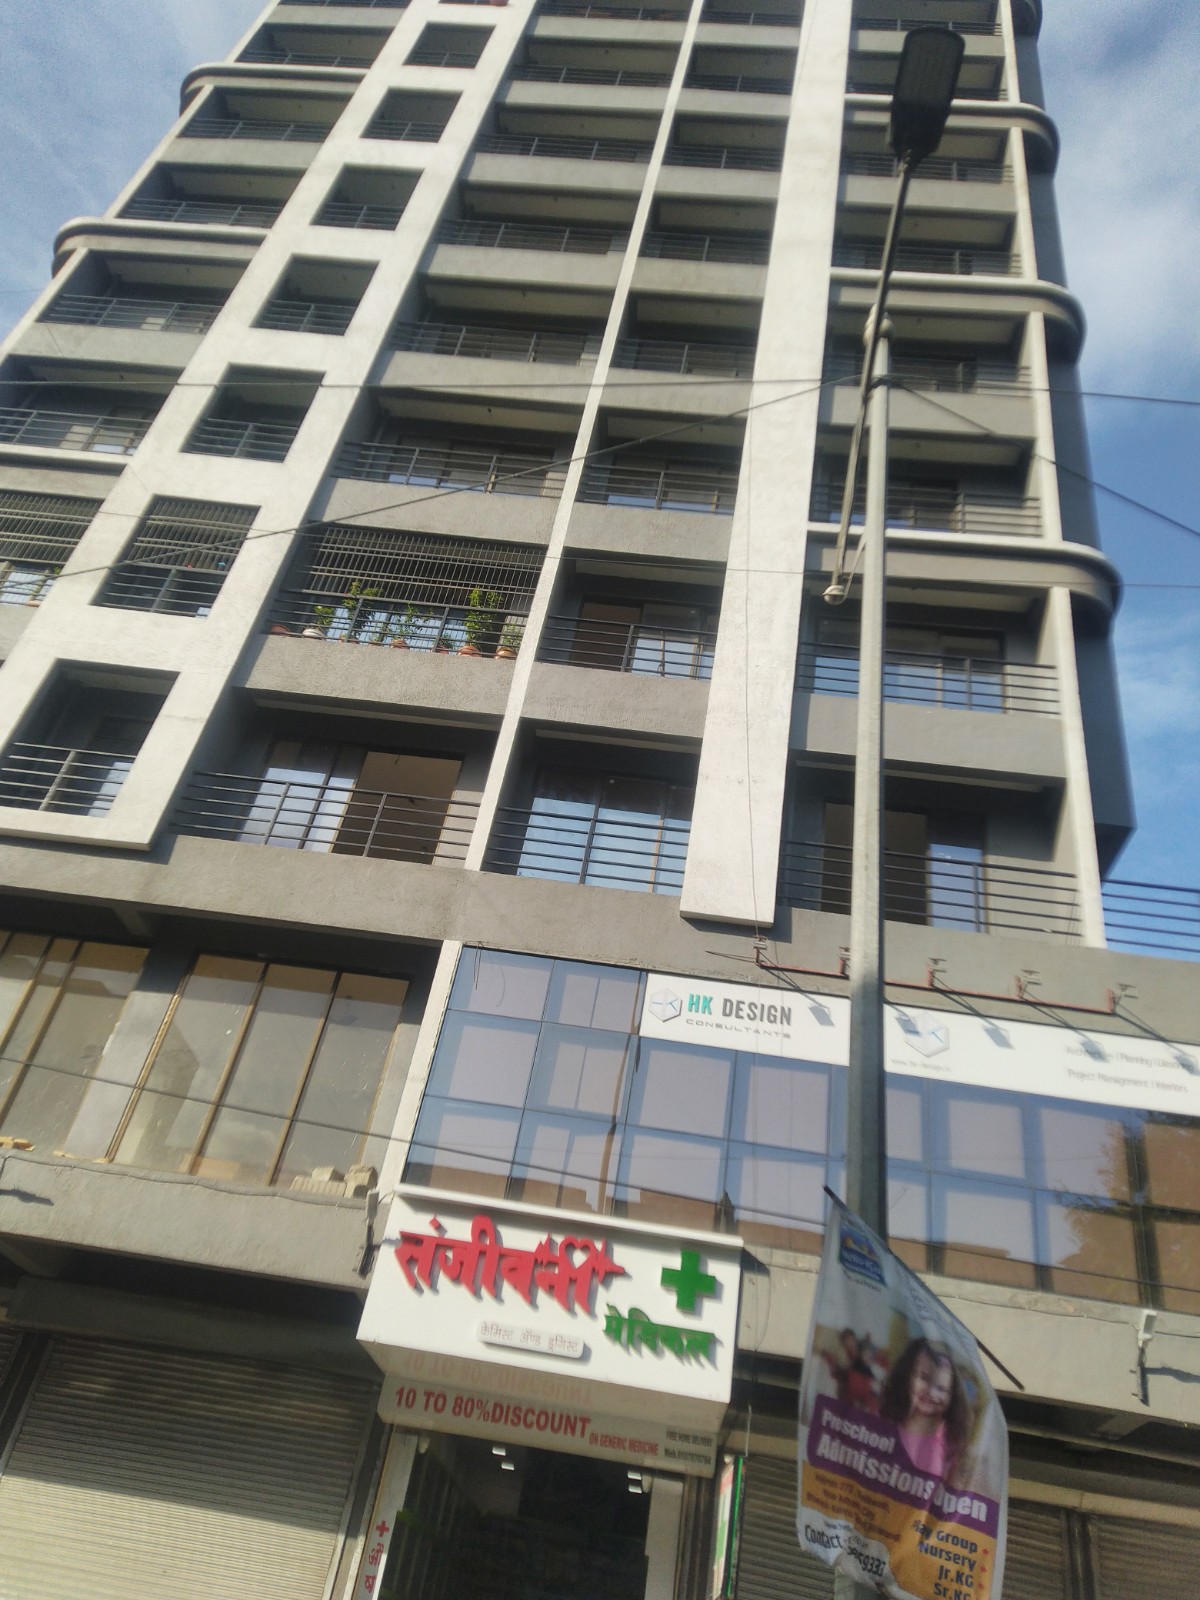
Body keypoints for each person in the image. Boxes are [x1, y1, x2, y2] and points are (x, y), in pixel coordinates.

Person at [879, 1338, 970, 1483]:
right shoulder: (886, 1422)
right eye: (924, 1378)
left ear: (953, 1395)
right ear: (907, 1375)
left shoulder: (952, 1442)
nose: (931, 1393)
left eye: (942, 1389)